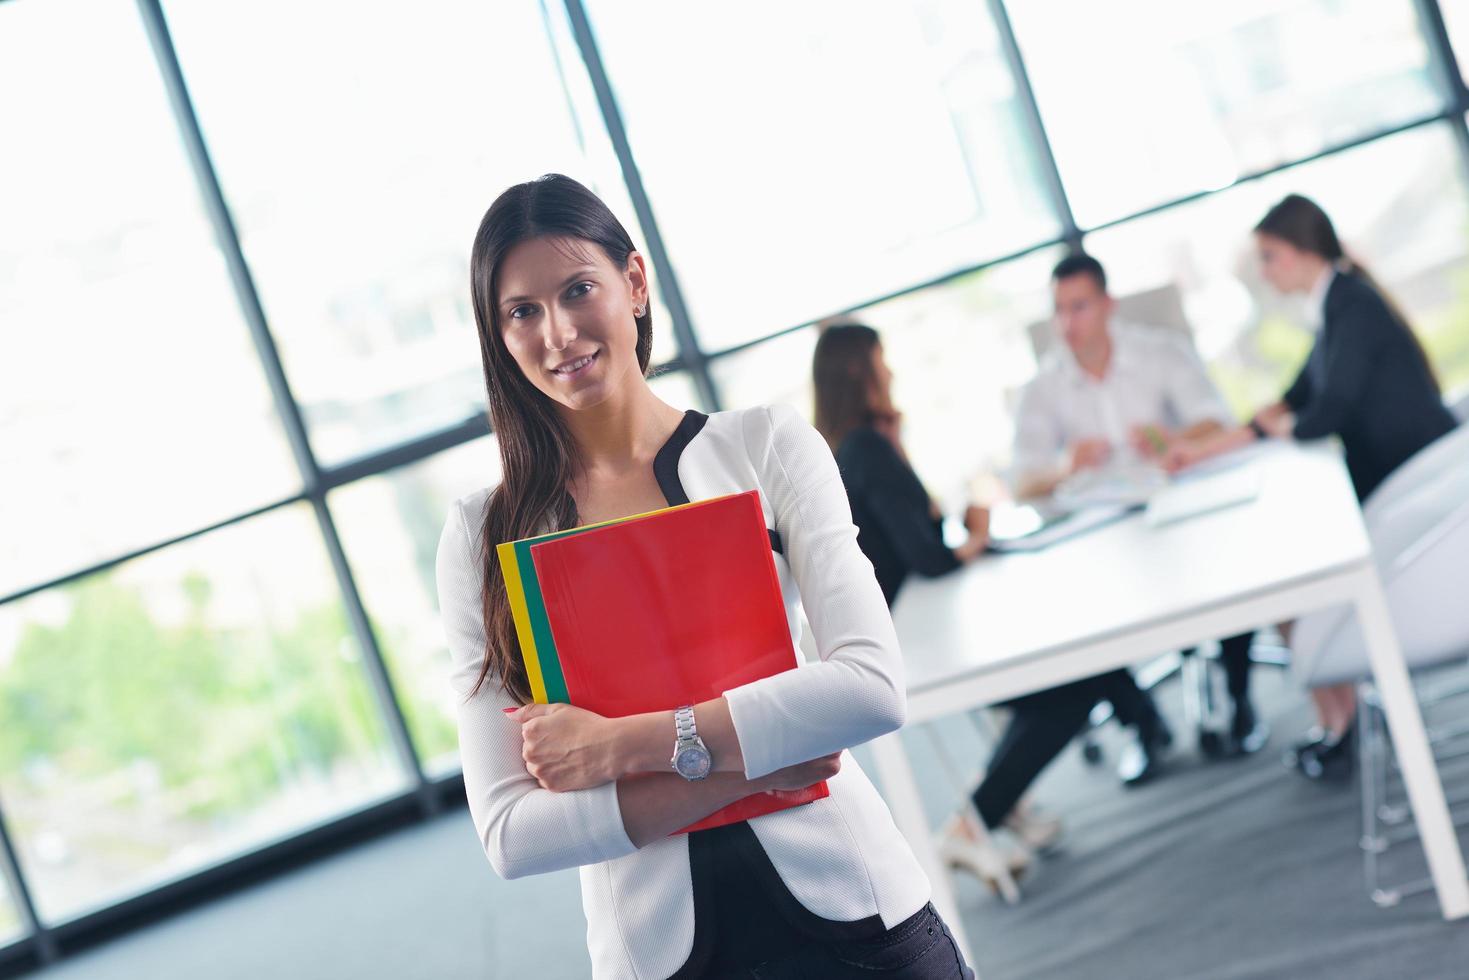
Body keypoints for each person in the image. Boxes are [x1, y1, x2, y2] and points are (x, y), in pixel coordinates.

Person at [436, 175, 975, 978]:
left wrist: (625, 746)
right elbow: (512, 833)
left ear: (635, 282)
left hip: (858, 919)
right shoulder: (483, 534)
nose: (557, 332)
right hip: (661, 956)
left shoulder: (765, 447)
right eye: (521, 311)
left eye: (578, 289)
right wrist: (763, 758)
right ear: (498, 335)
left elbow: (868, 687)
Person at [813, 321, 1132, 887]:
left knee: (1055, 686)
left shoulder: (853, 444)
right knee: (1077, 685)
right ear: (860, 371)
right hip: (920, 638)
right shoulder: (866, 447)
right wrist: (975, 538)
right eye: (881, 360)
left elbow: (909, 535)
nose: (890, 371)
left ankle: (996, 807)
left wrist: (957, 527)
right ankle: (973, 823)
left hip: (915, 622)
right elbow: (927, 556)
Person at [1164, 194, 1459, 782]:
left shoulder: (1353, 308)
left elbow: (1325, 414)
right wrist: (1203, 451)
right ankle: (1338, 718)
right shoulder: (1336, 307)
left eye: (1270, 259)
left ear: (1301, 254)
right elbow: (1296, 399)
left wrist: (1284, 424)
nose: (1265, 273)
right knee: (1289, 564)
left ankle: (1341, 718)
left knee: (1292, 570)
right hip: (1401, 492)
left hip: (1417, 505)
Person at [1012, 252, 1269, 779]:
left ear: (1108, 305)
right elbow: (1022, 482)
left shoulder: (1161, 353)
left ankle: (1238, 695)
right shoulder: (1043, 388)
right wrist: (1066, 464)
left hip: (1178, 509)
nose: (1068, 323)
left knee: (1230, 559)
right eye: (1059, 310)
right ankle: (1142, 721)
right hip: (1101, 532)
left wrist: (1170, 438)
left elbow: (1215, 421)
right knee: (1074, 606)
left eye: (1079, 307)